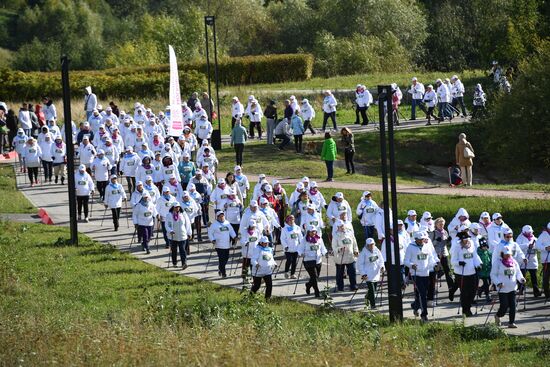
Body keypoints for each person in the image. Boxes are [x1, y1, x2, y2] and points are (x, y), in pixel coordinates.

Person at [404, 231, 437, 322]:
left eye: (422, 239)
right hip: (416, 274)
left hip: (426, 273)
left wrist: (435, 265)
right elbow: (406, 261)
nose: (421, 241)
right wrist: (411, 265)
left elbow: (430, 259)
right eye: (419, 240)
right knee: (422, 294)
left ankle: (415, 306)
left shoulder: (427, 246)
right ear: (416, 239)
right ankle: (424, 315)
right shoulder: (410, 247)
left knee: (421, 293)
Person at [491, 247, 526, 328]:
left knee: (513, 306)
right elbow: (493, 274)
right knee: (504, 306)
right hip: (502, 289)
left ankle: (511, 322)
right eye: (506, 254)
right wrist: (498, 283)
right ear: (502, 254)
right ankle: (497, 316)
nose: (507, 256)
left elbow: (518, 273)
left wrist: (521, 279)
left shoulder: (514, 262)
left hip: (512, 288)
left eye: (509, 254)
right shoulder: (497, 263)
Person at [451, 232, 482, 317]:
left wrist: (478, 264)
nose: (466, 241)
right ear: (461, 240)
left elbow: (475, 256)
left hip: (471, 271)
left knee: (473, 291)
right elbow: (453, 261)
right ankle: (465, 310)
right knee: (465, 293)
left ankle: (468, 306)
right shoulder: (456, 247)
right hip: (461, 273)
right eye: (464, 239)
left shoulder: (471, 244)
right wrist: (459, 262)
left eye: (467, 239)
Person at [298, 225, 328, 298]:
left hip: (318, 260)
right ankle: (316, 292)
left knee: (316, 276)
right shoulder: (304, 240)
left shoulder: (319, 239)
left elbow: (323, 248)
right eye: (311, 231)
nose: (313, 233)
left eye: (314, 231)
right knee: (314, 277)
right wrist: (301, 253)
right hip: (308, 260)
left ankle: (308, 285)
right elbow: (300, 249)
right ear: (308, 232)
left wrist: (325, 253)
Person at [357, 238, 385, 309]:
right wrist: (363, 274)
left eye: (372, 244)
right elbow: (360, 264)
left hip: (376, 273)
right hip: (368, 274)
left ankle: (367, 296)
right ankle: (373, 305)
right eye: (369, 245)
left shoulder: (377, 250)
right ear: (367, 245)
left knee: (374, 290)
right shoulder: (363, 253)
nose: (371, 246)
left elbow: (381, 260)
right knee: (372, 291)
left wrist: (382, 267)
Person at [208, 211, 237, 278]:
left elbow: (231, 231)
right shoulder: (214, 224)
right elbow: (210, 233)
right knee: (221, 259)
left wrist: (234, 237)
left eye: (222, 216)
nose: (222, 218)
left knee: (226, 259)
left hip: (227, 244)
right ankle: (223, 272)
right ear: (217, 217)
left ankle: (220, 268)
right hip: (219, 245)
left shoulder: (227, 223)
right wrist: (212, 240)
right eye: (220, 216)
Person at [332, 220, 359, 292]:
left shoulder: (350, 233)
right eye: (340, 226)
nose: (342, 227)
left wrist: (356, 250)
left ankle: (353, 285)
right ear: (337, 228)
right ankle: (340, 287)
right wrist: (340, 249)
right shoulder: (335, 236)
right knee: (340, 273)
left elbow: (354, 243)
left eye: (343, 226)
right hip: (340, 257)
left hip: (350, 256)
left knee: (352, 272)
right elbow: (334, 247)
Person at [516, 225, 541, 297]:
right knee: (522, 276)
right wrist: (527, 245)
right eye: (527, 233)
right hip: (524, 260)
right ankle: (521, 289)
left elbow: (539, 247)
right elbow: (517, 246)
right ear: (524, 232)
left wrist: (535, 246)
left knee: (534, 277)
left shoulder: (535, 238)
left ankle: (536, 291)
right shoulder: (520, 238)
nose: (529, 234)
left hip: (533, 261)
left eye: (530, 232)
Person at [166, 201, 192, 269]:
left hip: (182, 235)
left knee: (182, 250)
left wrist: (189, 233)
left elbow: (187, 224)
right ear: (173, 207)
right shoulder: (169, 215)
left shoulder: (183, 214)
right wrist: (170, 231)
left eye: (178, 207)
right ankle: (174, 262)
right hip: (173, 235)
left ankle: (184, 263)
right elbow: (167, 225)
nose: (177, 208)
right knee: (174, 250)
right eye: (175, 207)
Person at [281, 215, 302, 279]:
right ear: (287, 220)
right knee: (289, 260)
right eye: (290, 219)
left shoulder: (297, 228)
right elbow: (282, 239)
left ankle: (293, 274)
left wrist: (302, 246)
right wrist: (285, 246)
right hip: (288, 248)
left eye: (293, 219)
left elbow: (300, 237)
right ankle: (286, 272)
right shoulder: (284, 229)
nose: (291, 220)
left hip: (296, 248)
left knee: (294, 261)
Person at [536, 222, 550, 301]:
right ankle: (547, 293)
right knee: (546, 277)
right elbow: (537, 245)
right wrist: (545, 248)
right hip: (546, 260)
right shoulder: (543, 235)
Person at [477, 237, 492, 302]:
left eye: (486, 247)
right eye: (484, 247)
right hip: (482, 271)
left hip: (488, 270)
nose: (485, 248)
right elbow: (477, 260)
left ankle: (480, 290)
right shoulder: (478, 253)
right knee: (486, 283)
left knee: (489, 283)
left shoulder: (487, 252)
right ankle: (487, 295)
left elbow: (491, 258)